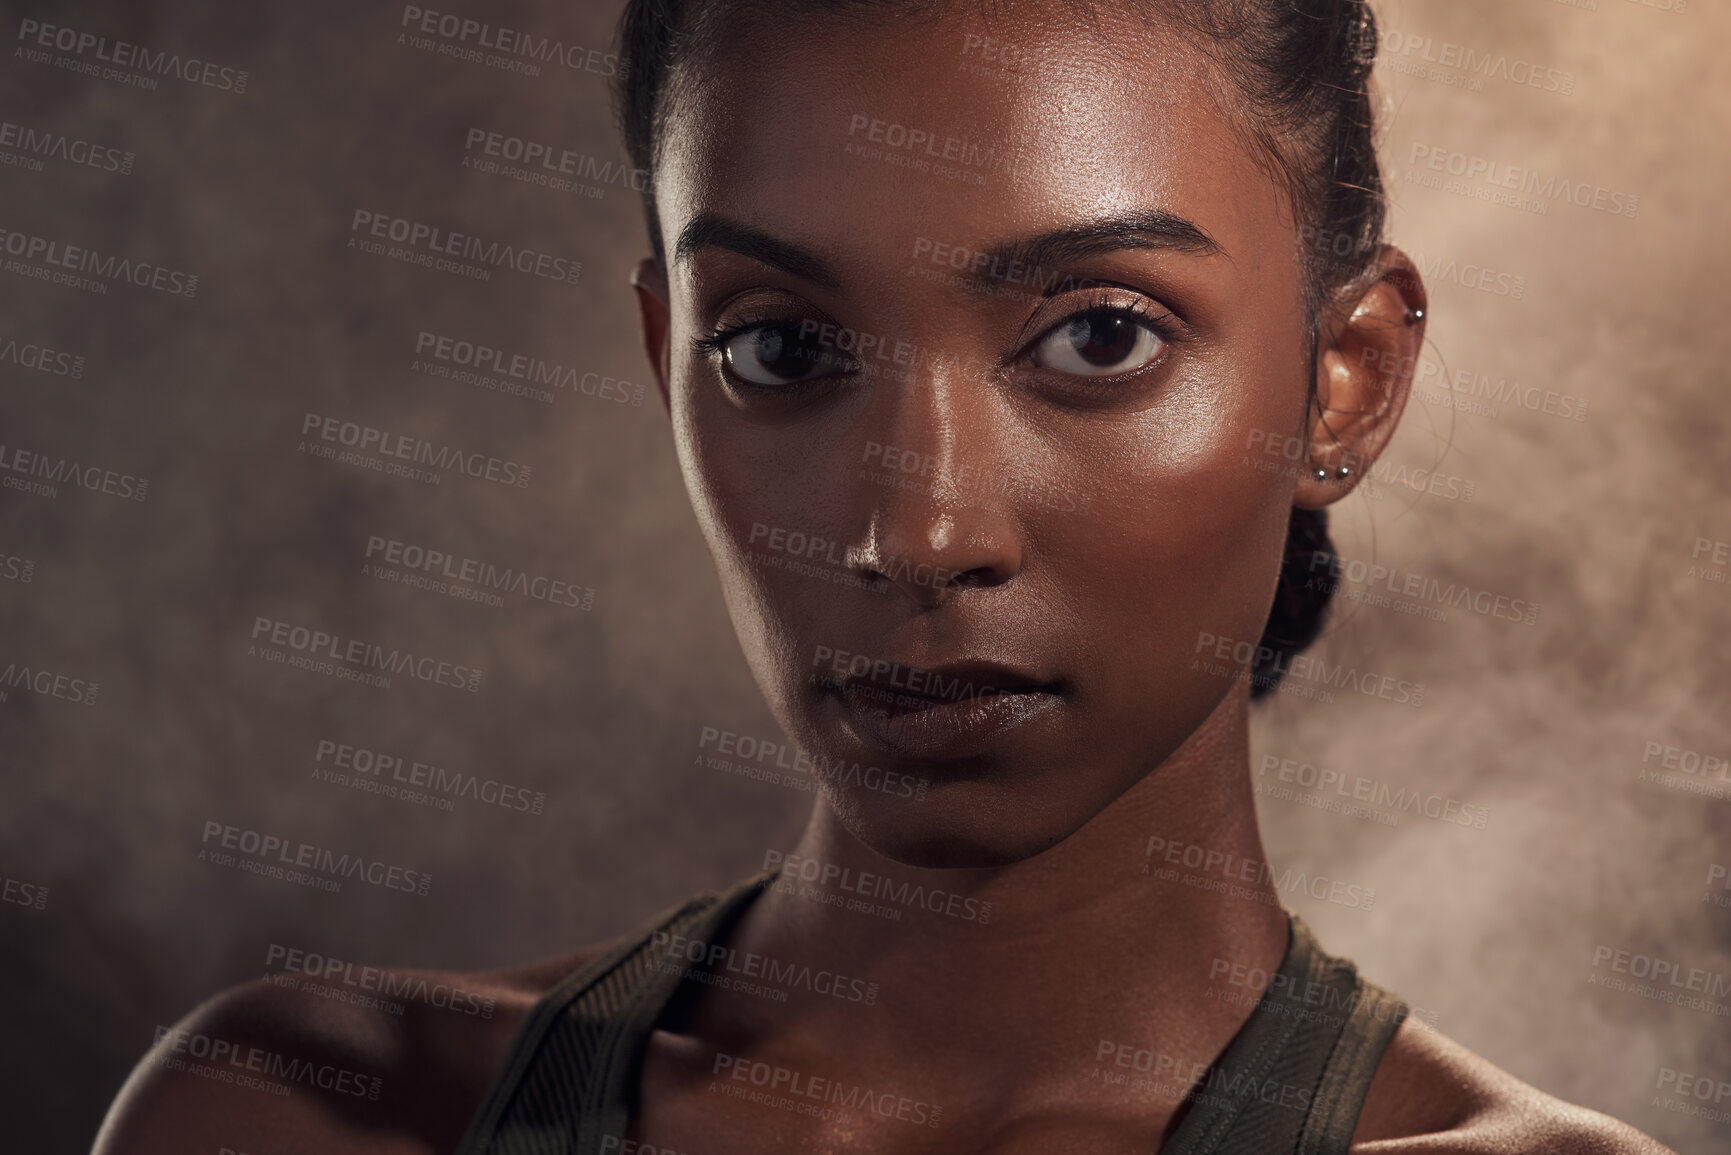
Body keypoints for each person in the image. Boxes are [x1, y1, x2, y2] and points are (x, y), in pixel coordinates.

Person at [94, 1, 1674, 1152]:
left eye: (1099, 336)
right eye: (781, 346)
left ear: (1344, 379)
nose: (917, 536)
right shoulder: (302, 1114)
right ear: (668, 368)